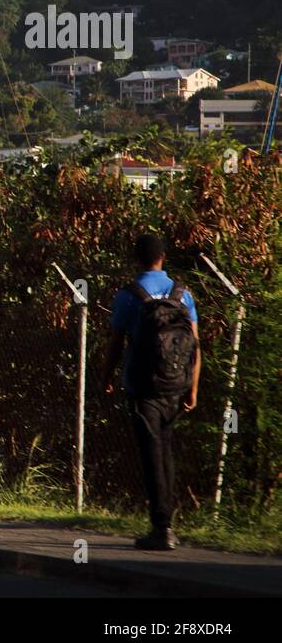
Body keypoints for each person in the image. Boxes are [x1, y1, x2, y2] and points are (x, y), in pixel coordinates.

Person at [101, 234, 200, 551]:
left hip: (143, 386)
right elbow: (195, 346)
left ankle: (162, 528)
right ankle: (167, 522)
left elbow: (116, 341)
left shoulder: (129, 295)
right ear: (164, 257)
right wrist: (192, 388)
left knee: (151, 454)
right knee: (165, 450)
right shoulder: (183, 294)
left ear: (136, 259)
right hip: (176, 384)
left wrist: (106, 377)